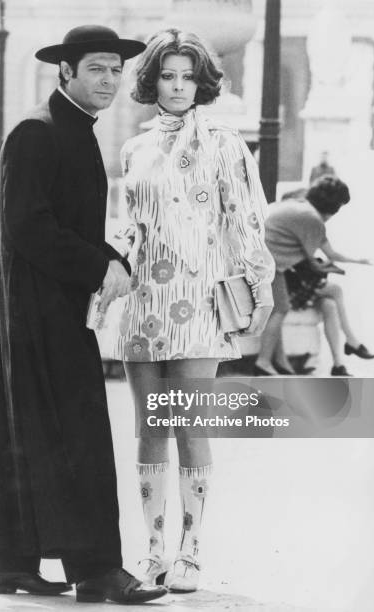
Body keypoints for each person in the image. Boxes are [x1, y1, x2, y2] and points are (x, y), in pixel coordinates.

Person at [0, 25, 167, 605]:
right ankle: (98, 570)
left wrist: (110, 258)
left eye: (115, 70)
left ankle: (10, 563)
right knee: (75, 428)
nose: (109, 81)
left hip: (49, 297)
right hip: (38, 303)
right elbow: (25, 225)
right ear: (66, 72)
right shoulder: (38, 130)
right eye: (96, 70)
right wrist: (98, 266)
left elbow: (66, 223)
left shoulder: (71, 127)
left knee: (22, 425)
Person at [110, 28, 275, 592]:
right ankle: (153, 549)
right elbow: (128, 228)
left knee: (189, 425)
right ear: (152, 79)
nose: (177, 86)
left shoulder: (226, 144)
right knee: (151, 428)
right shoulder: (134, 148)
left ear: (201, 82)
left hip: (201, 303)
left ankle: (192, 551)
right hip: (143, 306)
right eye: (167, 75)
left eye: (187, 76)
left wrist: (262, 286)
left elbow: (247, 220)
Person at [256, 175, 374, 377]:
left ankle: (339, 361)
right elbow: (321, 258)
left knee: (328, 303)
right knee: (284, 307)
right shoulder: (312, 219)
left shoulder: (297, 205)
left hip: (268, 264)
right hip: (273, 268)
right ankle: (264, 362)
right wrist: (352, 263)